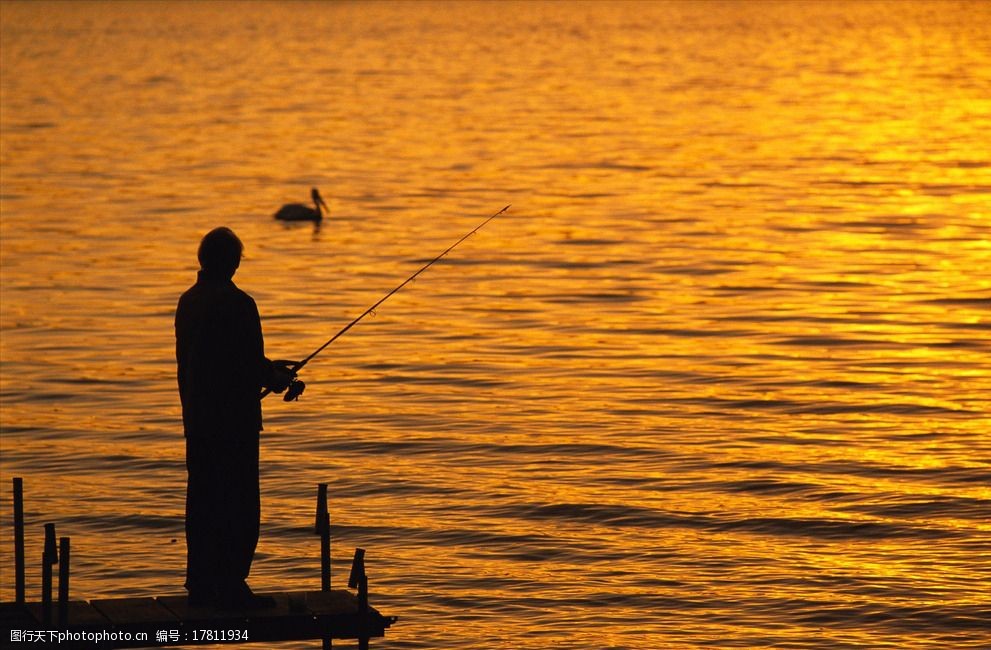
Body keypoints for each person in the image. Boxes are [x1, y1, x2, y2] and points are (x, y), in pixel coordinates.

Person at [175, 227, 293, 609]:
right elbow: (245, 364)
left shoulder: (188, 301)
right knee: (239, 504)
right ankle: (231, 586)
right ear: (233, 261)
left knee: (204, 501)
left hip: (197, 419)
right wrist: (274, 377)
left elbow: (217, 359)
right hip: (234, 425)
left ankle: (201, 583)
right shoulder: (238, 303)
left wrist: (267, 370)